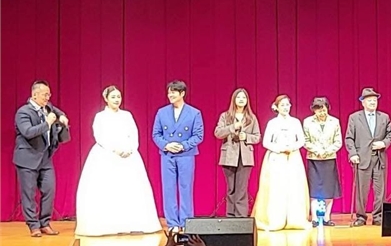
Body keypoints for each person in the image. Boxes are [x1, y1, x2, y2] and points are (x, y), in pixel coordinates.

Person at [75, 85, 161, 236]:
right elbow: (99, 136)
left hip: (129, 155)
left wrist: (131, 148)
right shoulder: (100, 116)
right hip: (107, 155)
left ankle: (133, 223)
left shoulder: (127, 115)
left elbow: (134, 133)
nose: (116, 100)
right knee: (108, 189)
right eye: (113, 97)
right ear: (106, 99)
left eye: (118, 97)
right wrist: (115, 149)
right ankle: (108, 225)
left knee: (131, 189)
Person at [14, 80, 71, 237]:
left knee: (49, 190)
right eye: (45, 94)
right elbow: (28, 132)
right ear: (34, 95)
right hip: (27, 159)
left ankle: (45, 223)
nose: (48, 97)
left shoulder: (48, 107)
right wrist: (47, 123)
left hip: (45, 158)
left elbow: (58, 111)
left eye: (49, 94)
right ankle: (33, 225)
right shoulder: (23, 112)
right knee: (29, 194)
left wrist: (63, 117)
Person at [252, 95, 310, 231]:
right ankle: (275, 220)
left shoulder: (295, 122)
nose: (285, 107)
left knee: (294, 188)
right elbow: (266, 142)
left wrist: (292, 147)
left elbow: (302, 140)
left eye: (287, 105)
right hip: (276, 158)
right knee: (277, 188)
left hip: (293, 157)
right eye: (282, 105)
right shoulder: (272, 123)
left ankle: (295, 220)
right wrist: (280, 149)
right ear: (276, 107)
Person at [152, 80, 204, 232]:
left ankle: (186, 222)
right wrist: (166, 145)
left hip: (186, 155)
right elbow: (156, 134)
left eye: (173, 92)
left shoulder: (194, 113)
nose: (170, 95)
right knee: (168, 189)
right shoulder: (161, 112)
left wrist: (183, 145)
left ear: (182, 93)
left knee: (185, 188)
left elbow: (198, 135)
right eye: (169, 92)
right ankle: (172, 223)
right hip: (167, 155)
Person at [345, 88, 391, 227]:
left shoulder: (384, 117)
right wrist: (353, 153)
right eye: (370, 100)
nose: (373, 102)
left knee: (380, 190)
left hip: (379, 158)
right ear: (363, 102)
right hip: (362, 158)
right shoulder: (355, 117)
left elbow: (390, 134)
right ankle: (361, 216)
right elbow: (349, 138)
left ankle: (378, 216)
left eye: (375, 100)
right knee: (362, 190)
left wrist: (384, 143)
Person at [213, 88, 261, 218]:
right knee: (231, 189)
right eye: (238, 97)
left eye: (244, 97)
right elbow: (218, 133)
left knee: (241, 188)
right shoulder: (225, 116)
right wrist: (231, 127)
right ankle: (230, 216)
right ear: (234, 99)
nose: (241, 100)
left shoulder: (251, 118)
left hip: (245, 157)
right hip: (229, 156)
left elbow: (257, 137)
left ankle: (241, 217)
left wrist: (246, 137)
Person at [303, 97, 343, 227]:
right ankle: (314, 218)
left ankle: (327, 217)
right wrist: (317, 150)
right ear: (314, 110)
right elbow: (305, 141)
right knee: (314, 189)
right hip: (314, 159)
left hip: (329, 158)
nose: (322, 113)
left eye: (324, 110)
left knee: (329, 189)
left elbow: (338, 141)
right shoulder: (307, 122)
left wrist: (327, 151)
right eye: (319, 110)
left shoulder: (334, 122)